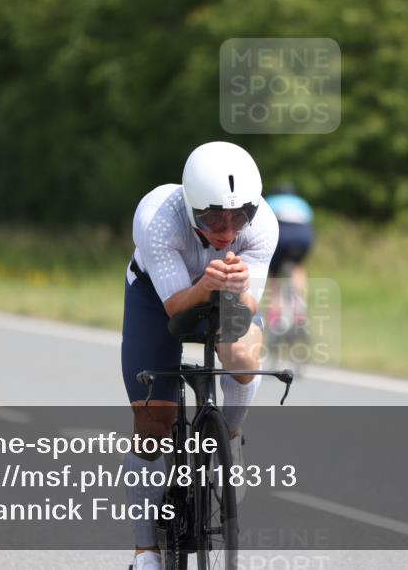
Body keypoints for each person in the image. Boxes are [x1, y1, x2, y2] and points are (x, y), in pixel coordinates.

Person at [121, 141, 277, 570]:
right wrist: (205, 284)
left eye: (238, 216)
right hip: (159, 299)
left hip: (224, 294)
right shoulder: (157, 219)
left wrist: (239, 287)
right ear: (191, 208)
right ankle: (145, 551)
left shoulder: (263, 225)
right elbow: (177, 312)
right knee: (153, 422)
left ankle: (229, 435)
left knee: (243, 357)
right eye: (212, 217)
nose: (227, 228)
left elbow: (248, 310)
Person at [264, 183, 315, 326]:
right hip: (304, 234)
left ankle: (275, 316)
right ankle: (299, 311)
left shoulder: (270, 201)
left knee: (274, 275)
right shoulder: (301, 203)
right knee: (297, 267)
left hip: (282, 233)